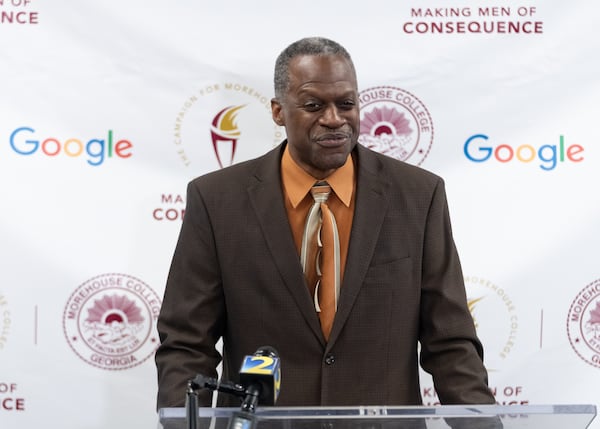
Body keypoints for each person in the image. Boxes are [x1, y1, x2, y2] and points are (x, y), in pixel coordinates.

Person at [155, 36, 496, 410]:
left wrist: (480, 421)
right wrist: (184, 422)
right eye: (313, 105)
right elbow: (187, 343)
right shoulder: (218, 200)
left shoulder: (418, 195)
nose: (334, 119)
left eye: (346, 104)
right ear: (278, 111)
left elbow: (450, 341)